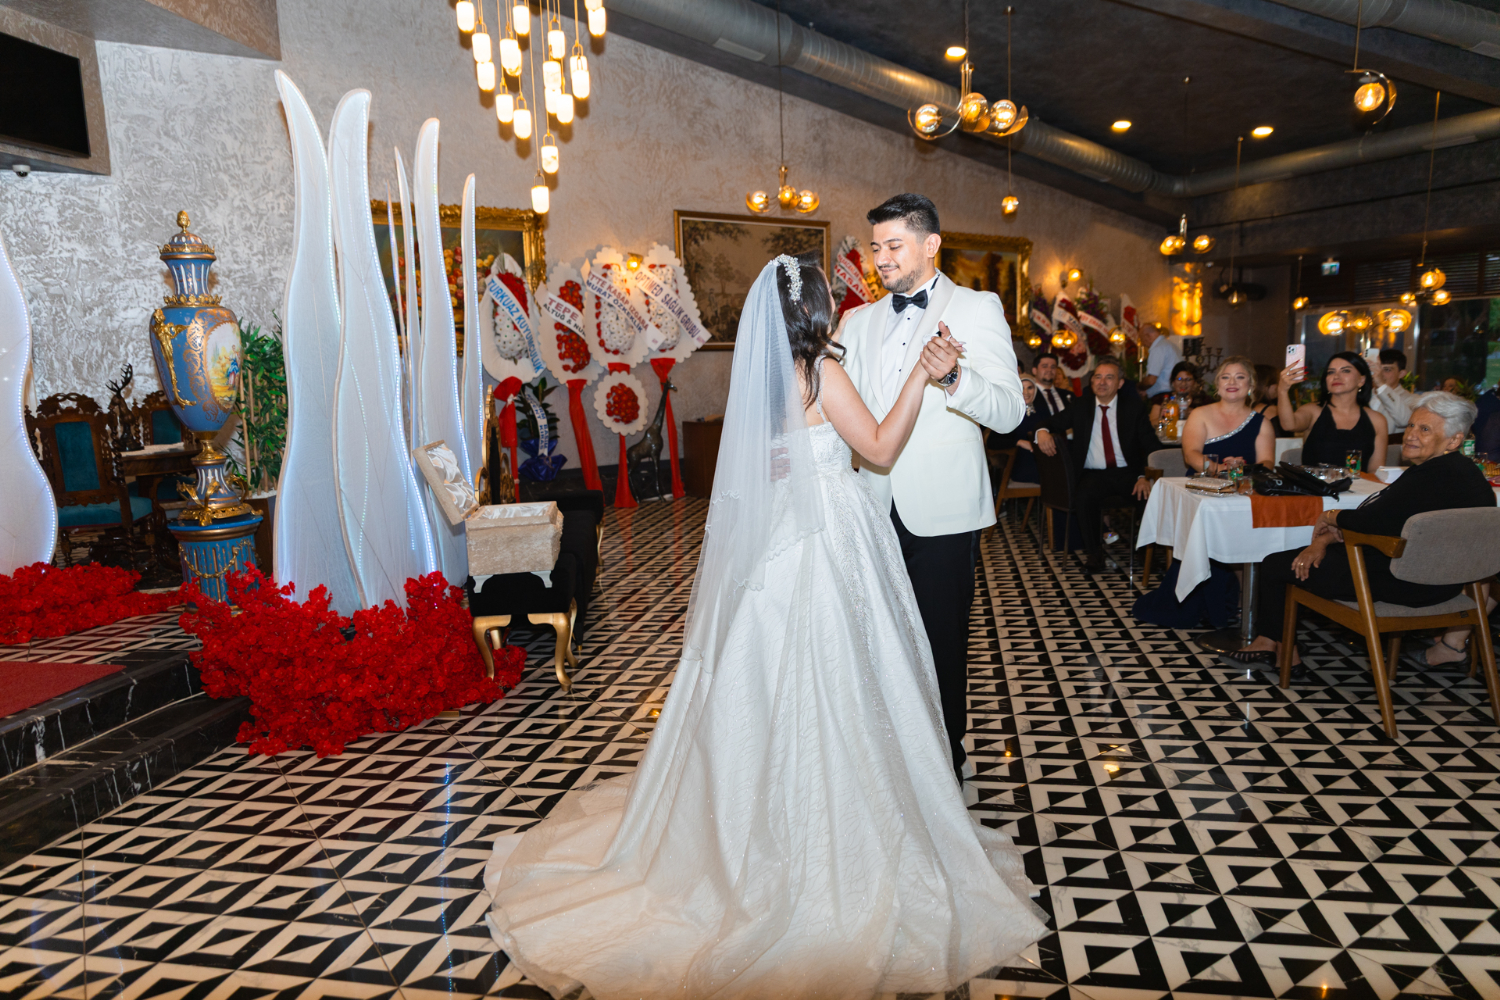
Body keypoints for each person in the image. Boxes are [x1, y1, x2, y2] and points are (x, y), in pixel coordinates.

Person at [484, 256, 1047, 1000]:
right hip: (833, 538)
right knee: (847, 677)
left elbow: (769, 466)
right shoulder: (821, 371)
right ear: (812, 309)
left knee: (767, 680)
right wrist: (918, 377)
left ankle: (746, 824)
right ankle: (839, 834)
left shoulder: (765, 379)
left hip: (777, 542)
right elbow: (878, 449)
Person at [838, 193, 1027, 783]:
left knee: (941, 639)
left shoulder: (977, 307)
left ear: (931, 244)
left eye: (894, 246)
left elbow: (1010, 413)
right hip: (868, 504)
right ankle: (891, 757)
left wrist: (954, 377)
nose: (881, 259)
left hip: (943, 509)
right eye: (876, 247)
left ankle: (945, 761)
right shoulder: (858, 321)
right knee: (878, 638)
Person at [1226, 392, 1497, 667]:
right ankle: (1273, 641)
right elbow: (1382, 521)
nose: (1411, 435)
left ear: (1454, 440)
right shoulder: (1468, 474)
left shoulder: (1430, 476)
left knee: (1275, 565)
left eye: (1424, 429)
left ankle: (1281, 651)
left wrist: (1331, 516)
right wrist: (1325, 539)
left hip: (1402, 583)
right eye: (1411, 425)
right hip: (1444, 584)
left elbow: (1368, 522)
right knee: (1301, 556)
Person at [1035, 357, 1158, 574]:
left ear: (1120, 383)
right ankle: (1094, 554)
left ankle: (1145, 550)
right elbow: (1051, 423)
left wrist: (1144, 476)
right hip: (1093, 474)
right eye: (1098, 377)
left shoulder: (1133, 407)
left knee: (1149, 496)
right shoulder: (1081, 405)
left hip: (1128, 473)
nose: (1102, 382)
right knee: (1083, 498)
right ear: (1091, 382)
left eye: (1109, 377)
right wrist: (1042, 432)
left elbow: (1150, 445)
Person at [1277, 350, 1389, 470]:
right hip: (1315, 482)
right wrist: (1282, 391)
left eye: (1345, 371)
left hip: (1359, 482)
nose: (1336, 376)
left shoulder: (1376, 420)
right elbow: (1289, 425)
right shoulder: (1313, 411)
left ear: (1361, 380)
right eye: (1331, 372)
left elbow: (1375, 471)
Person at [1181, 355, 1274, 474]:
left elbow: (1267, 462)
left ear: (1251, 385)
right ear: (1218, 384)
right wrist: (1222, 470)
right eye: (1225, 377)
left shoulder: (1262, 423)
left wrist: (1244, 470)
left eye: (1240, 377)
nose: (1232, 382)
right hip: (1201, 484)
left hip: (1244, 484)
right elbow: (1191, 455)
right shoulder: (1199, 415)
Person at [991, 375, 1042, 484]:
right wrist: (1019, 442)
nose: (1026, 392)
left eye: (1030, 388)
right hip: (1020, 466)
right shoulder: (1008, 413)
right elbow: (992, 441)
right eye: (1021, 388)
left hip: (1044, 465)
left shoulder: (1042, 411)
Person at [1148, 361, 1209, 428]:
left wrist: (1194, 413)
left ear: (1194, 382)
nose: (1183, 383)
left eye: (1188, 379)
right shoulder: (1162, 399)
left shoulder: (1203, 400)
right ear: (1173, 382)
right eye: (1179, 379)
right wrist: (1170, 416)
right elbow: (1151, 424)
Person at [1371, 348, 1415, 436]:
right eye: (1377, 369)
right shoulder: (1362, 395)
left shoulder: (1411, 399)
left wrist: (1381, 385)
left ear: (1401, 374)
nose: (1380, 374)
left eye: (1387, 370)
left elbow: (1404, 421)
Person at [1139, 321, 1181, 399]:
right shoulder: (1170, 345)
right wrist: (1147, 392)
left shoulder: (1158, 348)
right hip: (1174, 393)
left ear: (1148, 336)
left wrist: (1139, 387)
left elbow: (1151, 380)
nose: (1143, 344)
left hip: (1164, 396)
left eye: (1142, 339)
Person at [1030, 352, 1073, 417]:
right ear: (1034, 370)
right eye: (1045, 366)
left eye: (1053, 367)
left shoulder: (1068, 395)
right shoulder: (1029, 396)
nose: (1049, 370)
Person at [1252, 364, 1287, 436]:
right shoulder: (1274, 411)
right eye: (1277, 382)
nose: (1279, 386)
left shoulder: (1245, 408)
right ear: (1266, 385)